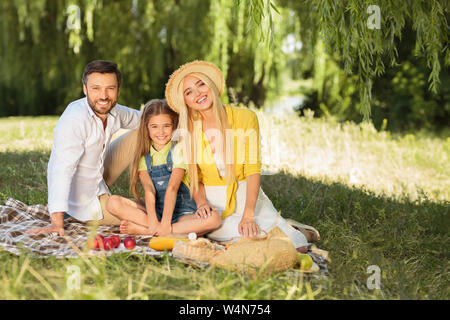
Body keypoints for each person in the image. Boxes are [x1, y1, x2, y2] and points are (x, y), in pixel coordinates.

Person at [164, 60, 320, 252]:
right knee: (256, 244)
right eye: (189, 92)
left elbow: (253, 169)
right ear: (186, 101)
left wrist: (248, 215)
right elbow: (194, 179)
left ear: (211, 85)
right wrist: (202, 203)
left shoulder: (246, 118)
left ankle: (297, 231)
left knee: (298, 248)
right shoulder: (187, 132)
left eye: (201, 84)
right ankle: (288, 229)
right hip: (216, 207)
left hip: (248, 198)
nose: (198, 94)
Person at [26, 60, 141, 236]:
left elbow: (144, 118)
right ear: (85, 89)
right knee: (141, 213)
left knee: (149, 128)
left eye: (110, 88)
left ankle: (163, 185)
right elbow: (60, 169)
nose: (103, 96)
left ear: (118, 90)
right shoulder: (74, 119)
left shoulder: (114, 110)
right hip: (83, 202)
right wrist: (56, 222)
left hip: (98, 173)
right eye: (96, 88)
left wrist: (183, 118)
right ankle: (168, 213)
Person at [105, 99, 222, 236]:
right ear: (146, 128)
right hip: (154, 211)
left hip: (182, 212)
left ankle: (147, 230)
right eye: (154, 126)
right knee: (112, 203)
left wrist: (166, 223)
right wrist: (154, 220)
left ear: (174, 126)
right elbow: (149, 190)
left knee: (214, 219)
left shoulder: (178, 150)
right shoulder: (144, 155)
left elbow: (172, 187)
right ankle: (163, 229)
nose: (161, 131)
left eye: (166, 126)